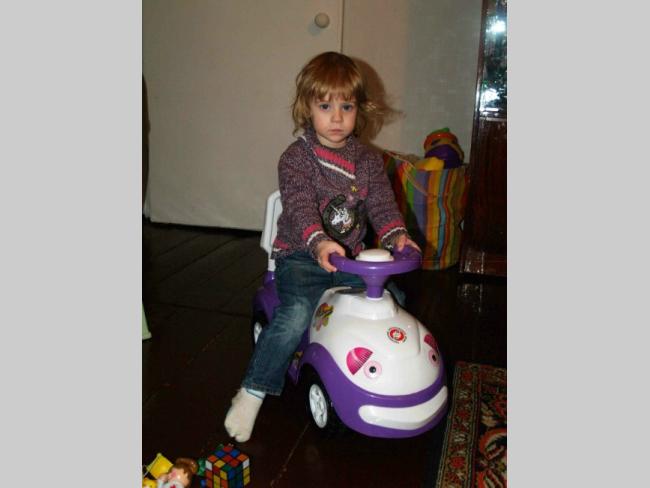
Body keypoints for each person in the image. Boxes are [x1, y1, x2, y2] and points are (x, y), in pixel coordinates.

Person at [224, 51, 419, 442]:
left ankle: (387, 376)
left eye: (346, 106)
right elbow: (299, 209)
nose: (336, 117)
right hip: (301, 256)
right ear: (306, 107)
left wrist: (396, 235)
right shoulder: (296, 159)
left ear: (359, 109)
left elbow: (382, 205)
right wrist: (320, 244)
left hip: (350, 261)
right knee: (296, 313)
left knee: (393, 300)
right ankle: (253, 390)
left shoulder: (368, 161)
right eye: (325, 106)